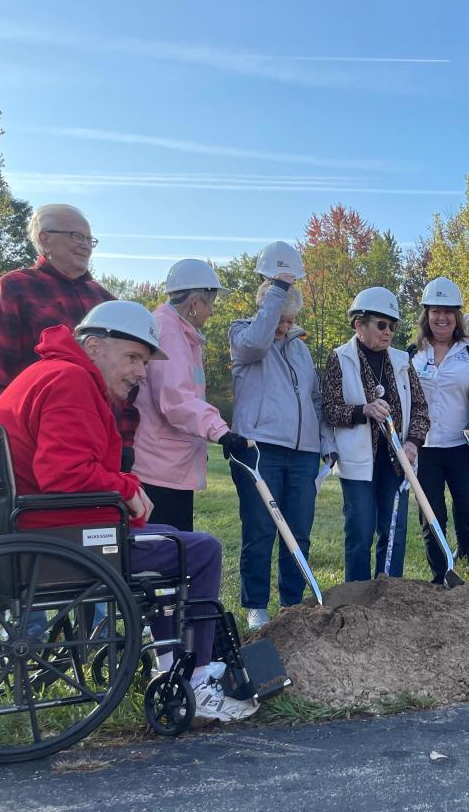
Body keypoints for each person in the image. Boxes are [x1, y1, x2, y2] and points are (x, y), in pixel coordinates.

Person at [0, 300, 254, 722]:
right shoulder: (70, 382)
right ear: (93, 347)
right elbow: (64, 474)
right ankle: (195, 679)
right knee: (199, 550)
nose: (140, 372)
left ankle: (170, 666)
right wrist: (127, 487)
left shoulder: (47, 373)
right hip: (61, 539)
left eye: (143, 362)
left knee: (170, 539)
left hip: (32, 528)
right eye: (132, 357)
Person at [0, 203, 139, 470]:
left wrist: (125, 444)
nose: (85, 246)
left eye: (89, 239)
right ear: (44, 238)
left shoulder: (106, 302)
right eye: (76, 236)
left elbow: (130, 381)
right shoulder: (13, 289)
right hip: (36, 445)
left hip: (102, 445)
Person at [229, 245, 336, 628]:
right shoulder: (244, 335)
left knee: (299, 532)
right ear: (267, 309)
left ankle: (292, 603)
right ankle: (256, 605)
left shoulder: (300, 350)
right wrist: (276, 291)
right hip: (259, 449)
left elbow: (316, 398)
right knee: (259, 530)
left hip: (303, 453)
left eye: (289, 321)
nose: (284, 327)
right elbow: (258, 341)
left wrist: (327, 442)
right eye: (279, 319)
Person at [323, 287, 430, 582]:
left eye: (392, 327)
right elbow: (330, 410)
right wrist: (363, 411)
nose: (388, 333)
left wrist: (413, 442)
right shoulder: (340, 358)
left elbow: (421, 408)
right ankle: (356, 594)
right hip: (358, 462)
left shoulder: (401, 361)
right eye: (381, 325)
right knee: (360, 529)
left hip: (395, 461)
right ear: (359, 324)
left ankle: (388, 594)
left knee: (394, 530)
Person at [132, 259, 242, 531]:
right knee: (166, 551)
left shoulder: (183, 334)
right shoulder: (168, 332)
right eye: (210, 303)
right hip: (157, 467)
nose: (212, 311)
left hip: (170, 464)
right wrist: (220, 431)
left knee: (176, 549)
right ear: (194, 303)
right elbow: (176, 400)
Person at [410, 277, 469, 584]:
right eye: (436, 311)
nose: (442, 317)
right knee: (431, 519)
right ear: (426, 315)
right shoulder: (412, 354)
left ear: (456, 316)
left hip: (463, 448)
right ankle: (442, 577)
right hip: (424, 449)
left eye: (448, 311)